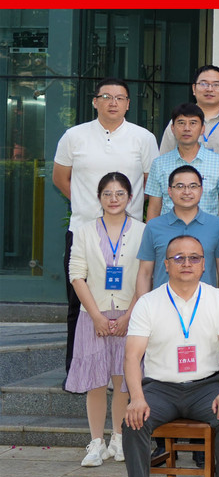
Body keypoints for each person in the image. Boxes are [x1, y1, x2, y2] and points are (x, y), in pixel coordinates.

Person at [119, 234, 219, 477]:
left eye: (194, 258)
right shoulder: (148, 303)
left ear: (203, 265)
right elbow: (132, 356)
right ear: (166, 264)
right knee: (133, 420)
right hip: (160, 388)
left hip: (205, 387)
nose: (187, 263)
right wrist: (137, 398)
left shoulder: (217, 298)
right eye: (179, 258)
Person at [53, 77, 159, 369]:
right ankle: (76, 370)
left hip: (129, 234)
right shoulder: (74, 136)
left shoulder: (143, 138)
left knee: (131, 301)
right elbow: (60, 178)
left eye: (120, 98)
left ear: (128, 104)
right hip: (83, 231)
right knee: (79, 303)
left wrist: (123, 212)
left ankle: (128, 370)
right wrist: (88, 205)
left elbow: (151, 184)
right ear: (94, 101)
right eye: (106, 97)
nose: (113, 103)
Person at [67, 173, 143, 468]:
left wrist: (129, 316)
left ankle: (119, 438)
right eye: (107, 194)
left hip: (130, 315)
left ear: (130, 198)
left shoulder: (142, 231)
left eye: (120, 193)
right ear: (99, 198)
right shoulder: (84, 231)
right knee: (95, 381)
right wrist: (96, 316)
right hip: (93, 314)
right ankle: (96, 442)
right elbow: (77, 274)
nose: (114, 199)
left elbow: (145, 277)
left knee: (124, 380)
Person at [135, 165, 219, 296]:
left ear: (201, 190)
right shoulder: (154, 226)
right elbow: (145, 273)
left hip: (204, 303)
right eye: (180, 186)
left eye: (193, 186)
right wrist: (142, 305)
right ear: (170, 191)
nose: (187, 192)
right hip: (163, 303)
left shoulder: (217, 225)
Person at [146, 103, 219, 220]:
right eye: (181, 123)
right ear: (172, 128)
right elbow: (154, 208)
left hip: (208, 230)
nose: (187, 128)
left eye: (193, 123)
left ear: (202, 129)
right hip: (169, 230)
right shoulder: (159, 164)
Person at [160, 65, 219, 160]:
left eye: (216, 85)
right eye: (203, 84)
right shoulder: (178, 122)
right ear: (194, 88)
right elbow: (164, 159)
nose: (209, 89)